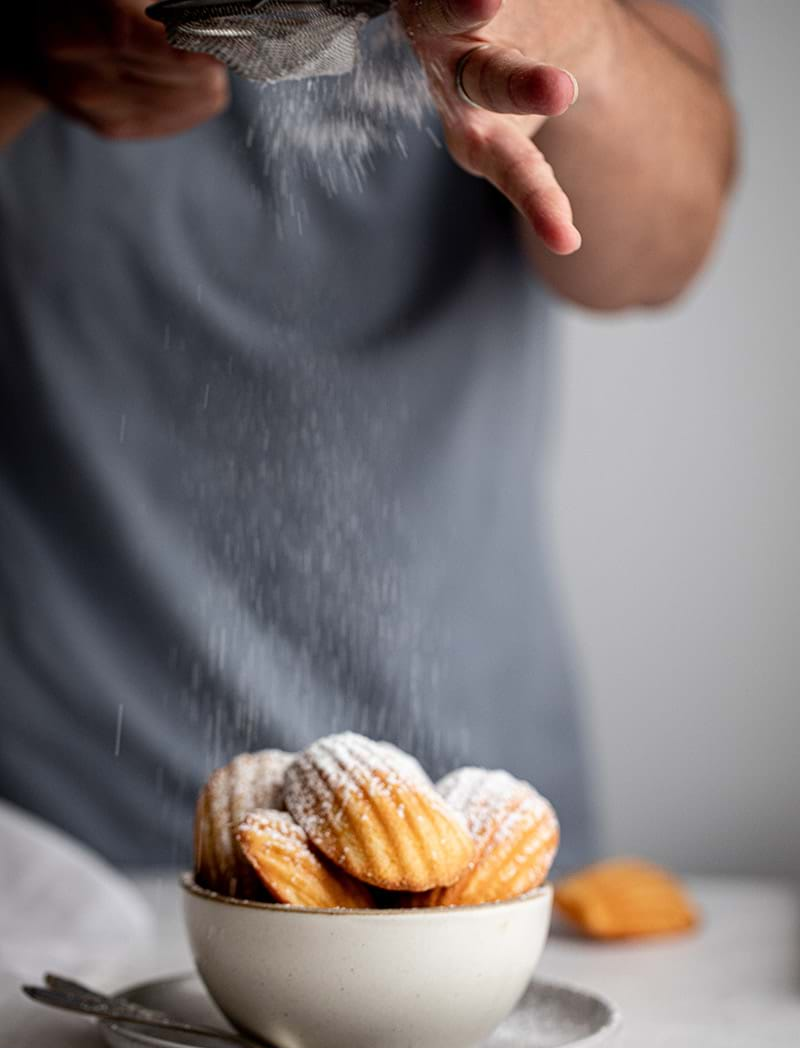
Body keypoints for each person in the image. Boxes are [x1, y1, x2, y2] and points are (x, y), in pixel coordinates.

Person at [0, 1, 736, 869]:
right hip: (60, 826)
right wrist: (19, 67)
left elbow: (656, 261)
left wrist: (581, 37)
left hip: (471, 815)